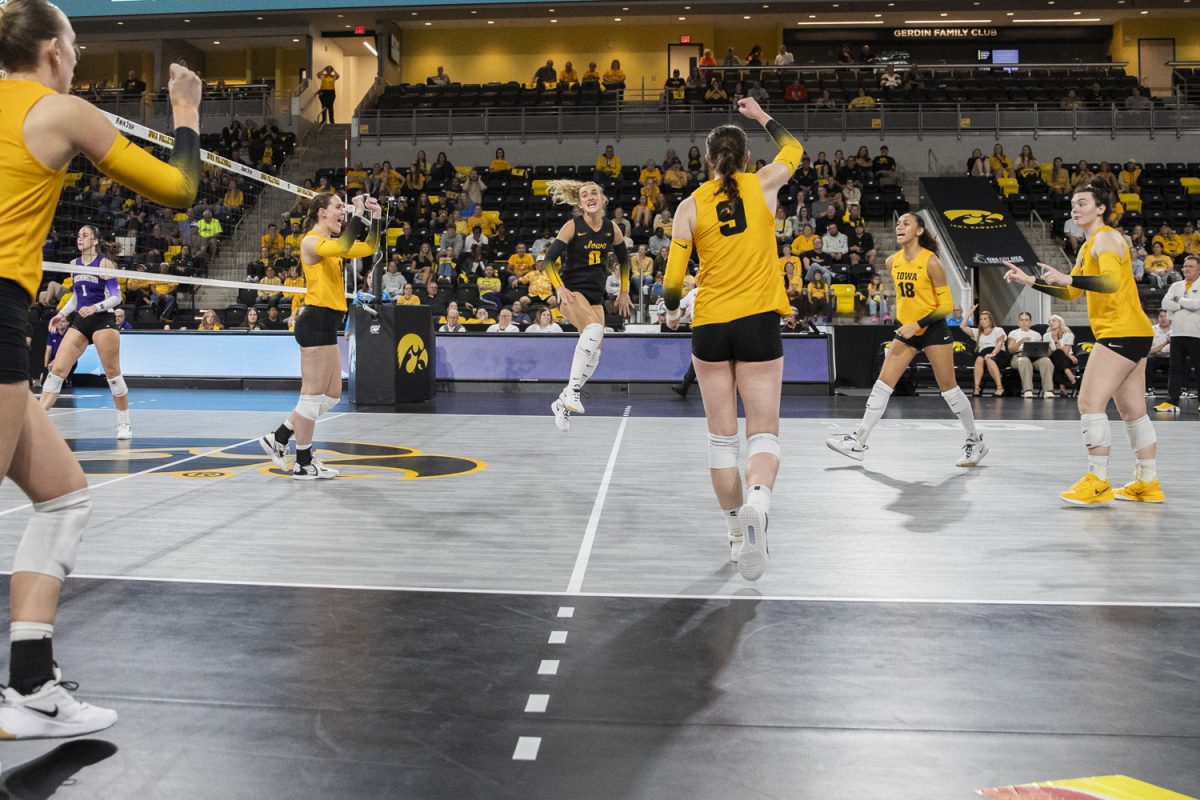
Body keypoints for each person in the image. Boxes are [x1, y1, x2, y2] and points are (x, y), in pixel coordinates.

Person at [0, 0, 201, 740]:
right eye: (76, 46)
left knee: (62, 497)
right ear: (52, 50)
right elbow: (180, 191)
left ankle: (33, 688)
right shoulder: (60, 110)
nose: (79, 58)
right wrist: (184, 110)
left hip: (13, 318)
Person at [663, 97, 804, 581]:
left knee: (721, 440)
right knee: (763, 432)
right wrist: (761, 115)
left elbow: (672, 281)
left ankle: (732, 531)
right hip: (758, 319)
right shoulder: (764, 184)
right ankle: (758, 508)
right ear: (746, 158)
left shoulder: (689, 204)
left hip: (710, 323)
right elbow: (794, 148)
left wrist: (671, 311)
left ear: (706, 160)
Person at [1003, 178, 1162, 505]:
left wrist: (1069, 277)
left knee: (1089, 404)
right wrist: (1031, 280)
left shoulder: (1106, 240)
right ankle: (1147, 482)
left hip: (1120, 332)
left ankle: (1097, 480)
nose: (1075, 209)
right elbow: (1073, 291)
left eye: (1083, 203)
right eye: (1073, 204)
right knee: (1133, 411)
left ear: (1101, 209)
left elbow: (1109, 282)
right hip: (1134, 331)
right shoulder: (1090, 245)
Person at [827, 214, 986, 467]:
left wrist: (918, 324)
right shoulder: (892, 262)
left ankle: (975, 441)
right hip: (907, 330)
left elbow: (945, 306)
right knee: (882, 384)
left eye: (906, 223)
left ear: (920, 230)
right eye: (898, 223)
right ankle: (858, 441)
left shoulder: (931, 262)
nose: (900, 227)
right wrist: (907, 324)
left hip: (932, 328)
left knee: (949, 390)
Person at [260, 193, 381, 479]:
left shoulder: (331, 246)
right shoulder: (312, 241)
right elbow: (344, 243)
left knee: (331, 396)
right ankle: (303, 462)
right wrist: (358, 211)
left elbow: (368, 247)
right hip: (314, 321)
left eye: (344, 207)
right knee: (311, 397)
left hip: (328, 324)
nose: (343, 211)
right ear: (321, 213)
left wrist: (374, 217)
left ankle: (278, 437)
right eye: (338, 207)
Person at [538, 180, 633, 430]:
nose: (590, 196)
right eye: (584, 194)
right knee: (593, 330)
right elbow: (548, 260)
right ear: (580, 204)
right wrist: (559, 288)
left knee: (596, 353)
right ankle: (571, 394)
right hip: (572, 292)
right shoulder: (572, 226)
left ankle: (563, 400)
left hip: (596, 295)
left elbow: (624, 261)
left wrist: (624, 292)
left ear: (603, 199)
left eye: (594, 192)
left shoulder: (613, 230)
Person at [39, 225, 134, 438]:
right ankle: (39, 418)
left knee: (113, 374)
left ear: (95, 241)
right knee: (57, 371)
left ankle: (124, 422)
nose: (80, 238)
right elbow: (76, 296)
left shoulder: (105, 264)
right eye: (78, 235)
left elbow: (116, 297)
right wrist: (62, 314)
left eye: (85, 235)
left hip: (102, 319)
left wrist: (95, 307)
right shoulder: (74, 264)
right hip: (81, 320)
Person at [1158, 254, 1200, 412]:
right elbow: (1164, 303)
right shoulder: (1176, 285)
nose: (1186, 269)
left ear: (1199, 268)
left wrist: (1178, 301)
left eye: (1190, 266)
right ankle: (1171, 402)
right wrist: (1183, 303)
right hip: (1177, 333)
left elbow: (1196, 304)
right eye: (1185, 266)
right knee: (1175, 369)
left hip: (1197, 334)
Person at [1007, 311, 1055, 398]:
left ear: (1030, 322)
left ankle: (1048, 390)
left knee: (1046, 360)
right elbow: (1011, 350)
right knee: (1024, 360)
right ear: (1018, 322)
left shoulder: (1036, 334)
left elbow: (1042, 349)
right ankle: (1028, 390)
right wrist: (1021, 342)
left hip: (1035, 356)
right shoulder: (1013, 333)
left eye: (1026, 320)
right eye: (1022, 320)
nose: (1024, 322)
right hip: (1019, 356)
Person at [961, 307, 1007, 396]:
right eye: (981, 319)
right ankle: (977, 388)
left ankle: (1000, 387)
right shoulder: (977, 332)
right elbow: (962, 326)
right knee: (979, 358)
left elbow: (1000, 343)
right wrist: (970, 312)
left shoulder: (998, 330)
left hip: (998, 355)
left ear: (990, 320)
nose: (982, 321)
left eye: (985, 319)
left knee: (988, 358)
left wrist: (993, 353)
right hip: (983, 356)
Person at [1045, 314, 1079, 396]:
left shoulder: (1069, 335)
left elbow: (1063, 353)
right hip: (1055, 358)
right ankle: (1070, 375)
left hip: (1065, 358)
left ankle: (1062, 388)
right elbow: (1049, 353)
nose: (1050, 322)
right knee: (1057, 355)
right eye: (1049, 321)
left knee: (1058, 355)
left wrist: (1055, 340)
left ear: (1060, 322)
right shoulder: (1046, 336)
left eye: (1053, 320)